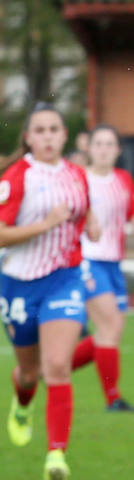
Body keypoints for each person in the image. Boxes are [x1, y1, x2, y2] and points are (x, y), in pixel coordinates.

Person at [0, 103, 101, 480]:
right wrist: (44, 224)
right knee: (30, 372)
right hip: (20, 285)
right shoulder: (17, 178)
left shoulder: (77, 175)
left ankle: (56, 454)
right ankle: (22, 402)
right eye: (41, 130)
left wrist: (93, 223)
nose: (48, 136)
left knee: (57, 365)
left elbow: (82, 213)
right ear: (29, 137)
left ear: (65, 135)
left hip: (64, 279)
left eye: (55, 129)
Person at [75, 124, 133, 411]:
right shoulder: (79, 180)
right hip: (88, 261)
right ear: (90, 148)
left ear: (118, 150)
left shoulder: (123, 180)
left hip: (113, 263)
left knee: (110, 332)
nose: (104, 149)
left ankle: (51, 368)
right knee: (109, 325)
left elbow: (128, 220)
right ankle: (113, 397)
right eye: (98, 143)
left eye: (110, 144)